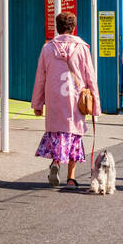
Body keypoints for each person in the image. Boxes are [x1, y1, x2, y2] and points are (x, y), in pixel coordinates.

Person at [31, 11, 102, 190]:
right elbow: (91, 77)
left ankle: (56, 162)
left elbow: (40, 77)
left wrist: (37, 104)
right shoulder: (82, 48)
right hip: (76, 98)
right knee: (74, 135)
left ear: (57, 27)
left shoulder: (47, 48)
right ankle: (71, 177)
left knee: (58, 133)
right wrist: (96, 107)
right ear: (73, 27)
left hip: (54, 97)